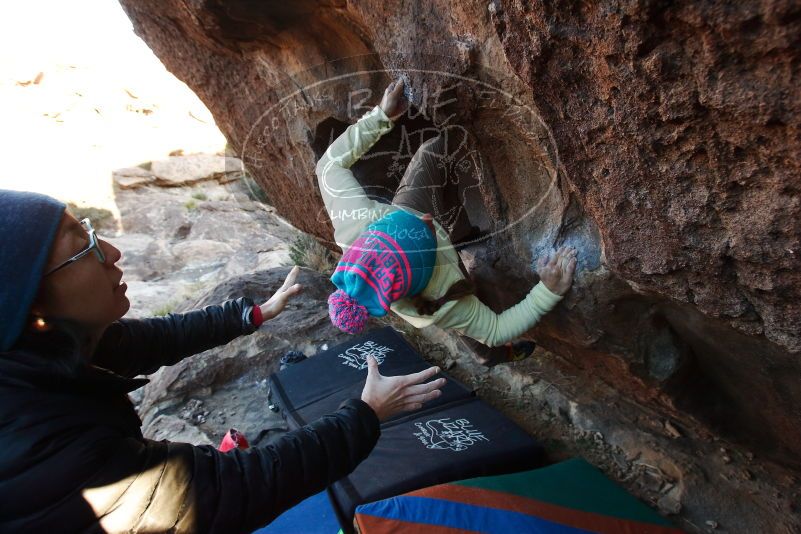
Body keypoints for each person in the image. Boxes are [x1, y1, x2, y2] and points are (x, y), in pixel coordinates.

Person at [0, 189, 445, 532]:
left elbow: (143, 341)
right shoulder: (50, 456)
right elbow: (230, 489)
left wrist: (249, 314)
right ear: (25, 302)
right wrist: (366, 414)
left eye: (94, 232)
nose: (112, 253)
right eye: (83, 248)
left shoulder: (35, 346)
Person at [317, 78, 578, 366]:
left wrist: (382, 116)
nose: (430, 219)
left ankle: (451, 229)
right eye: (429, 227)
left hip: (404, 217)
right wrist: (548, 290)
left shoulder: (355, 221)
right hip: (438, 284)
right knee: (467, 310)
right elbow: (496, 329)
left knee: (433, 153)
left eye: (424, 224)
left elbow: (328, 166)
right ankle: (489, 357)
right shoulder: (439, 301)